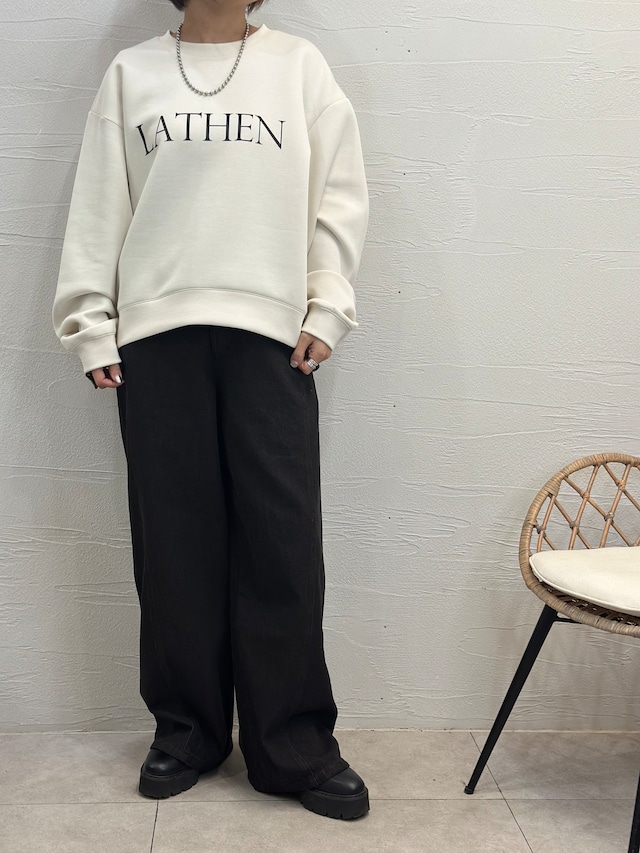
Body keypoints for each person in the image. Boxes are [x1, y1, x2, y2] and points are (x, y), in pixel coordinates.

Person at [51, 0, 369, 821]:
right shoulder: (133, 73)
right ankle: (187, 730)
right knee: (174, 542)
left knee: (282, 540)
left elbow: (338, 193)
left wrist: (327, 304)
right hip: (155, 338)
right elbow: (100, 201)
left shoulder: (299, 68)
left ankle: (291, 742)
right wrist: (89, 320)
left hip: (273, 338)